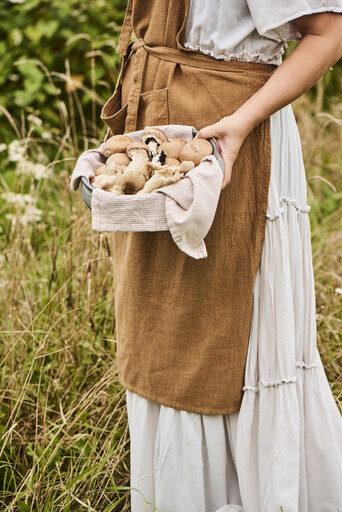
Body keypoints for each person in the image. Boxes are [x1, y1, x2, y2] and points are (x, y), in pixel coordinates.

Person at [99, 1, 342, 511]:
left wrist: (241, 123)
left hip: (230, 142)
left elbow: (329, 31)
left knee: (216, 352)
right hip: (167, 139)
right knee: (164, 344)